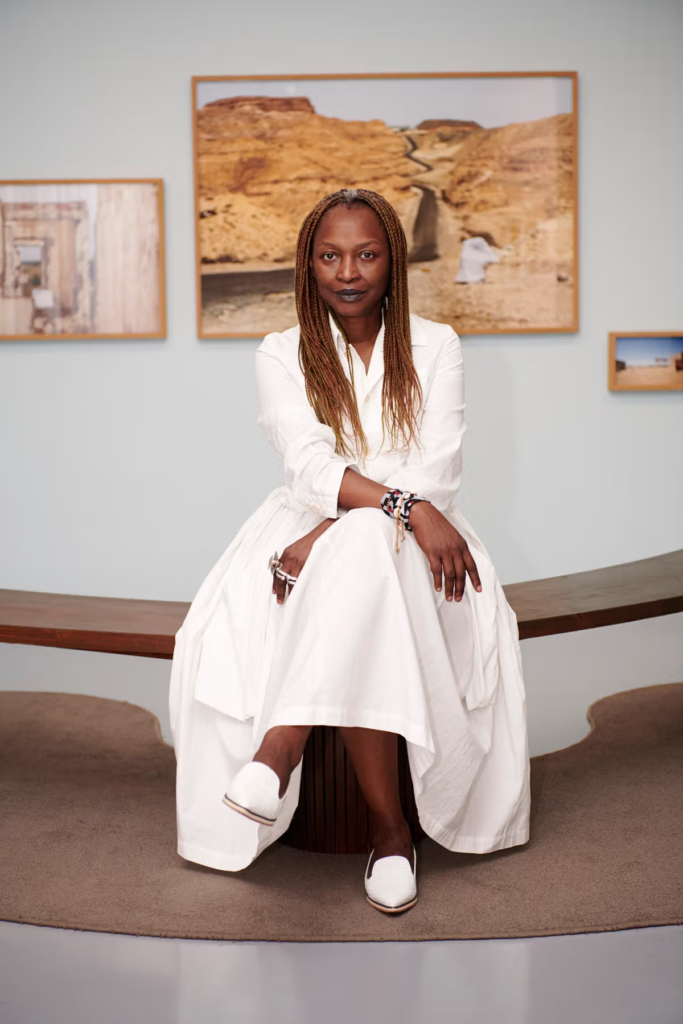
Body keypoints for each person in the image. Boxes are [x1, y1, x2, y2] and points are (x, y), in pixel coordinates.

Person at [169, 188, 530, 915]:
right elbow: (307, 467)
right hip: (316, 525)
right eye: (329, 255)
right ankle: (390, 832)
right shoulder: (280, 352)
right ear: (308, 263)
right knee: (366, 558)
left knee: (365, 547)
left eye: (365, 253)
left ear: (392, 259)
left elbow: (436, 470)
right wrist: (380, 512)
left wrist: (347, 526)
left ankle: (276, 754)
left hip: (417, 538)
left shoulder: (436, 344)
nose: (347, 271)